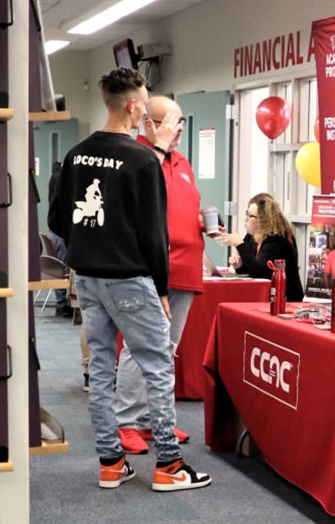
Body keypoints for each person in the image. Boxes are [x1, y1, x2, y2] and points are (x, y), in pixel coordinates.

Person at [48, 67, 211, 492]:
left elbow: (55, 219)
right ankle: (169, 467)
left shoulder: (77, 154)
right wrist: (159, 291)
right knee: (158, 366)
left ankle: (110, 463)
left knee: (102, 370)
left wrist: (92, 244)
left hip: (89, 279)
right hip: (132, 279)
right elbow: (153, 236)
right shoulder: (141, 160)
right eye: (144, 102)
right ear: (134, 105)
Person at [113, 95, 211, 455]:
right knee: (139, 347)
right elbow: (131, 200)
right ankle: (126, 422)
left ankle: (156, 420)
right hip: (147, 268)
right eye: (173, 121)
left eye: (183, 121)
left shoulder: (183, 162)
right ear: (150, 124)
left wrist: (200, 222)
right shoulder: (135, 156)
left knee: (166, 350)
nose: (180, 128)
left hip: (185, 269)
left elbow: (183, 205)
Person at [220, 193, 304, 301]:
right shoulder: (252, 237)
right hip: (265, 296)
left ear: (263, 220)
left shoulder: (276, 239)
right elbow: (251, 267)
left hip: (285, 299)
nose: (245, 219)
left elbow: (260, 272)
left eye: (250, 216)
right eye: (246, 214)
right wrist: (239, 266)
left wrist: (239, 244)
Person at [47, 161, 73, 318]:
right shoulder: (59, 178)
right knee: (64, 266)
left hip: (55, 229)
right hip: (61, 230)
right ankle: (62, 303)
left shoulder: (54, 176)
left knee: (61, 264)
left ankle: (62, 303)